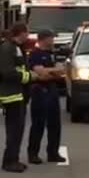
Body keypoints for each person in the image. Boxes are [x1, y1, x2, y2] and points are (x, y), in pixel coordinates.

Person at [0, 22, 43, 173]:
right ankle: (9, 161)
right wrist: (30, 76)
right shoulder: (8, 48)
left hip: (19, 94)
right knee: (14, 130)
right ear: (21, 33)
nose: (28, 36)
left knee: (18, 130)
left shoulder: (16, 47)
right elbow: (8, 72)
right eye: (27, 33)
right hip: (12, 95)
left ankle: (14, 159)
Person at [27, 29, 67, 164]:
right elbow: (40, 73)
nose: (53, 40)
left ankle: (53, 153)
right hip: (39, 90)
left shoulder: (52, 54)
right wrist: (53, 71)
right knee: (38, 123)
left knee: (55, 124)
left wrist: (51, 72)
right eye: (52, 38)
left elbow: (61, 71)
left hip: (52, 89)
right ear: (44, 39)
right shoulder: (35, 54)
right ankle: (33, 154)